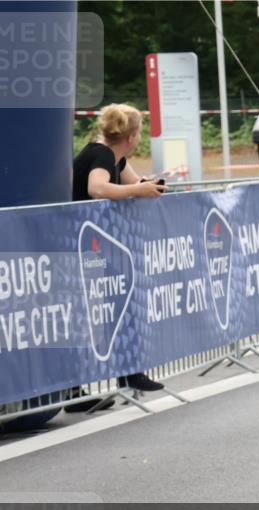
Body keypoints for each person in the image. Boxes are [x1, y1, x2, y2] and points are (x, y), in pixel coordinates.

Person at [71, 103, 168, 404]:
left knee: (117, 305)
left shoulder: (117, 157)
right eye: (139, 133)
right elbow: (97, 188)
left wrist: (153, 186)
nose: (140, 139)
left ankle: (130, 372)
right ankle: (75, 389)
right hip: (83, 245)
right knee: (88, 317)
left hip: (97, 245)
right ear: (131, 135)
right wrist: (138, 192)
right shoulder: (100, 154)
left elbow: (133, 183)